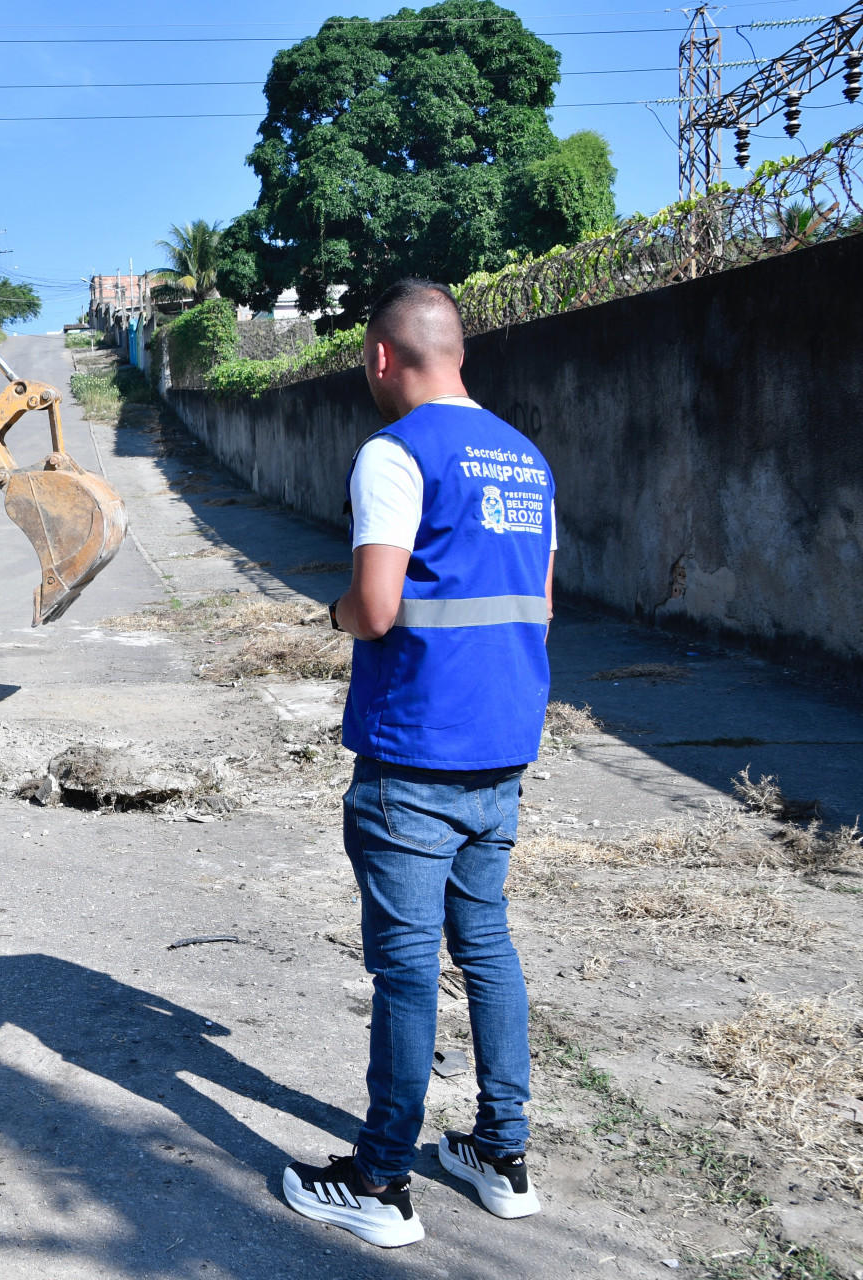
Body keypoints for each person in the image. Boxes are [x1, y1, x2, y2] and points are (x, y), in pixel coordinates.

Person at [280, 279, 555, 1248]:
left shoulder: (396, 454)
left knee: (404, 969)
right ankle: (502, 1153)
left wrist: (334, 614)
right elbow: (541, 602)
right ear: (460, 352)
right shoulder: (527, 460)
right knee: (486, 946)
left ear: (383, 358)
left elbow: (378, 604)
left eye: (365, 361)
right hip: (502, 749)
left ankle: (382, 1177)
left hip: (414, 752)